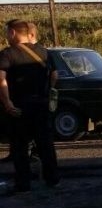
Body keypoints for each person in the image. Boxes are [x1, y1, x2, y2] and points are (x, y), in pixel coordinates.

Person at [0, 19, 59, 193]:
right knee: (46, 144)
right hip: (41, 104)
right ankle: (53, 179)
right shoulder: (45, 52)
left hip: (19, 106)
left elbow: (1, 79)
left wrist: (7, 102)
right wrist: (48, 93)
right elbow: (55, 76)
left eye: (6, 32)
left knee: (20, 146)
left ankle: (23, 183)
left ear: (12, 32)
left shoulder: (7, 54)